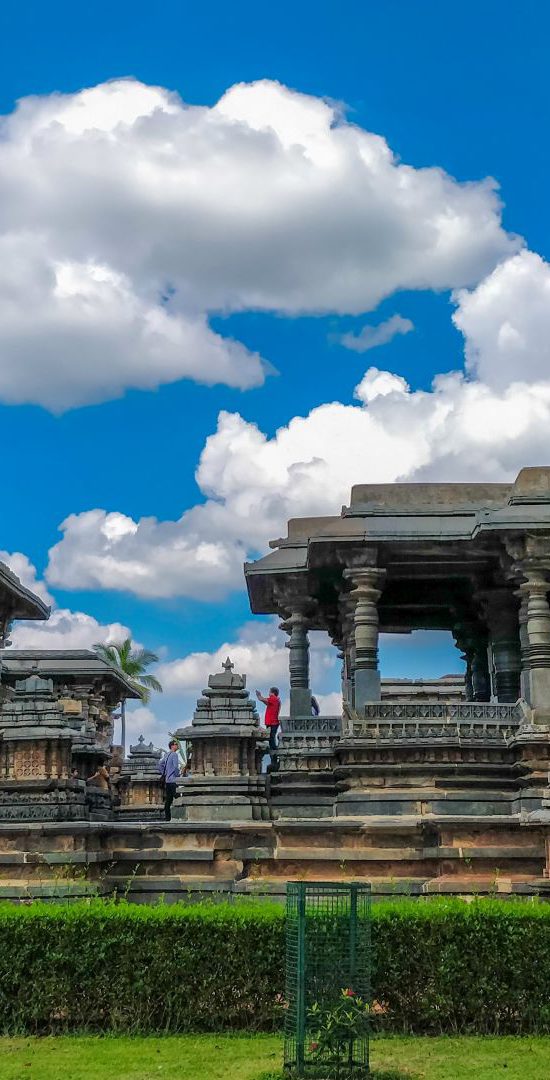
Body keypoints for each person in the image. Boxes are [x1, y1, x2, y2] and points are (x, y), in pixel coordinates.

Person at [158, 739, 181, 822]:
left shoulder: (167, 755)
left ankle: (167, 818)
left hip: (167, 780)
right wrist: (177, 775)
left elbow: (160, 764)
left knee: (168, 800)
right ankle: (180, 816)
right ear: (172, 746)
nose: (177, 746)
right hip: (173, 780)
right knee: (178, 798)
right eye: (176, 744)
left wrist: (164, 773)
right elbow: (175, 767)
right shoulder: (174, 754)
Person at [256, 686, 281, 754]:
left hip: (272, 722)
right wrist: (260, 697)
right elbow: (266, 702)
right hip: (272, 722)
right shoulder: (275, 700)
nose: (268, 693)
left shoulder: (274, 699)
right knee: (271, 737)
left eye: (269, 691)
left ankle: (274, 750)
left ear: (272, 692)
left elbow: (262, 699)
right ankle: (273, 749)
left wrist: (259, 695)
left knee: (271, 737)